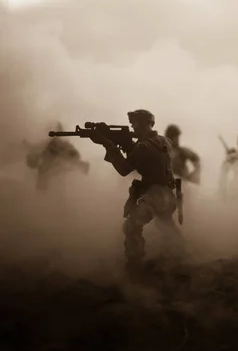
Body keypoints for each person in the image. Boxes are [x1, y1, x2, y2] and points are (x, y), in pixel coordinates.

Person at [90, 110, 183, 276]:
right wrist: (125, 144)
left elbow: (124, 169)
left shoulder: (143, 146)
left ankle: (134, 266)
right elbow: (148, 159)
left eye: (134, 123)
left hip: (156, 194)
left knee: (131, 226)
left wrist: (108, 144)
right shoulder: (164, 140)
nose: (132, 126)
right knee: (165, 223)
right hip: (169, 194)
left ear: (143, 123)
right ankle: (182, 253)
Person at [26, 122, 89, 192]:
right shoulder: (45, 163)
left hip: (68, 161)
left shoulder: (49, 148)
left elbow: (72, 155)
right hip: (66, 165)